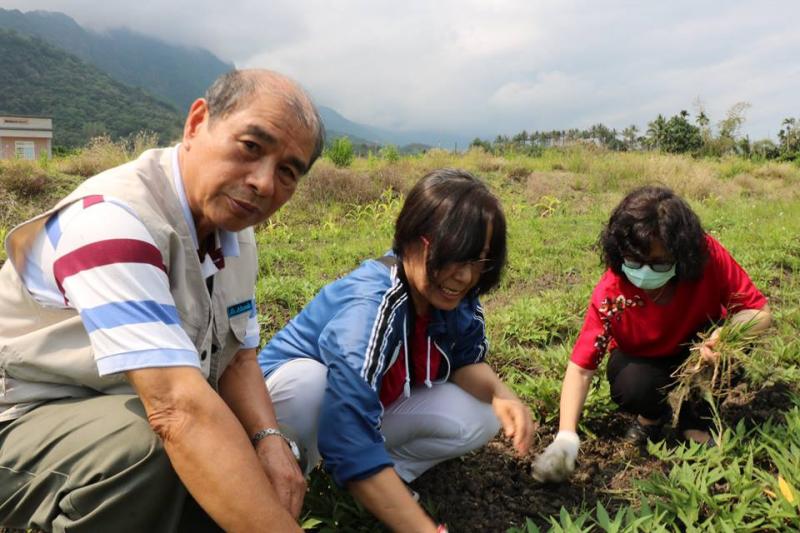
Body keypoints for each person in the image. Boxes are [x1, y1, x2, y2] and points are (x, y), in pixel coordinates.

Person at [0, 69, 324, 531]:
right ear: (196, 123)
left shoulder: (234, 232)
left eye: (288, 171)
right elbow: (176, 409)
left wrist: (269, 439)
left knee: (260, 446)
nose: (264, 183)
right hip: (24, 417)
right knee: (148, 450)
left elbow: (238, 359)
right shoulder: (111, 221)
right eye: (251, 147)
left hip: (125, 406)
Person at [258, 169, 535, 532]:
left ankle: (379, 481)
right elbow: (345, 431)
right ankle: (283, 478)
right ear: (413, 241)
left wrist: (502, 393)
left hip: (362, 410)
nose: (464, 277)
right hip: (282, 410)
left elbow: (465, 361)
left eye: (476, 261)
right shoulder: (374, 306)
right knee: (310, 384)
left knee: (482, 413)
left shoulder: (455, 300)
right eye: (453, 257)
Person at [532, 185, 771, 483]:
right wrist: (566, 437)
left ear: (682, 256)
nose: (645, 272)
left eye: (659, 263)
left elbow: (757, 312)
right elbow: (581, 368)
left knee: (732, 353)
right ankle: (652, 416)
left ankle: (695, 419)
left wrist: (726, 334)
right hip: (644, 361)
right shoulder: (612, 293)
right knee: (633, 385)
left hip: (701, 350)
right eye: (635, 261)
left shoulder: (707, 257)